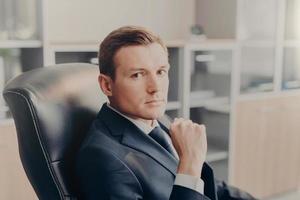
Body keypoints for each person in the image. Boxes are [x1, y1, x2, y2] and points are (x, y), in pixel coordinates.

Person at [75, 26, 256, 200]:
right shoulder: (102, 158)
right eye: (137, 75)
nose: (155, 88)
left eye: (161, 72)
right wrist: (190, 164)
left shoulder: (159, 120)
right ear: (107, 85)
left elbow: (213, 188)